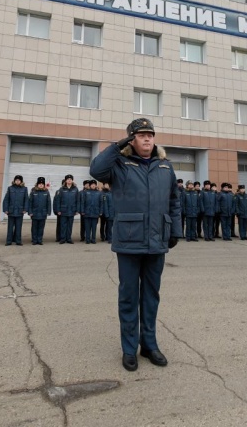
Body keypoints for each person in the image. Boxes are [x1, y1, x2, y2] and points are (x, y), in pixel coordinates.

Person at [89, 117, 181, 372]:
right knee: (129, 297)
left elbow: (174, 200)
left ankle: (149, 345)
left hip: (157, 240)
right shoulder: (119, 164)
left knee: (151, 296)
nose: (148, 139)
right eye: (141, 135)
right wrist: (115, 147)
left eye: (150, 134)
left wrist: (174, 230)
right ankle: (129, 349)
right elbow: (96, 170)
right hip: (129, 240)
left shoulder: (165, 166)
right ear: (132, 139)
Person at [3, 174, 29, 246]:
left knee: (18, 227)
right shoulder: (10, 188)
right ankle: (9, 241)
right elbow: (6, 199)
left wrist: (25, 209)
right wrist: (5, 209)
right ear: (14, 181)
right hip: (11, 211)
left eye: (19, 180)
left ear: (21, 181)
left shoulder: (24, 189)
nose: (17, 181)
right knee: (10, 227)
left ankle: (18, 241)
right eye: (16, 180)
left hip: (20, 211)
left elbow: (26, 200)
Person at [55, 174, 79, 244]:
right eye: (68, 179)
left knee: (70, 225)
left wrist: (77, 210)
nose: (69, 180)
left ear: (72, 180)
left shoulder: (75, 189)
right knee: (63, 225)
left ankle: (69, 238)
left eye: (70, 179)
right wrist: (58, 210)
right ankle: (63, 239)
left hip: (72, 210)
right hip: (63, 210)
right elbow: (58, 200)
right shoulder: (61, 189)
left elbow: (78, 200)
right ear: (65, 180)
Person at [28, 177, 51, 245]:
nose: (41, 185)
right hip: (34, 213)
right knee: (34, 227)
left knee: (41, 227)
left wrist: (48, 212)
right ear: (37, 184)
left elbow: (48, 202)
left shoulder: (46, 192)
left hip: (43, 213)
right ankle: (34, 240)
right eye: (39, 184)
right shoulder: (33, 191)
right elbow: (30, 202)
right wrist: (30, 212)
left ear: (44, 185)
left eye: (42, 184)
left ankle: (40, 240)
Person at [82, 180, 102, 244]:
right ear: (90, 185)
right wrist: (82, 211)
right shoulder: (86, 192)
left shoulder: (99, 193)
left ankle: (93, 239)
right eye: (92, 184)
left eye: (94, 184)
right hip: (87, 212)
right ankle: (87, 239)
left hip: (95, 212)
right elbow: (83, 202)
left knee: (94, 227)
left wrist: (100, 211)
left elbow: (101, 203)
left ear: (96, 185)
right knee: (87, 227)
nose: (93, 185)